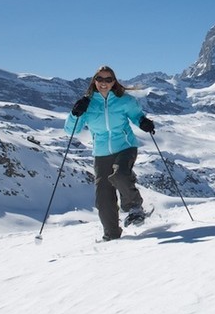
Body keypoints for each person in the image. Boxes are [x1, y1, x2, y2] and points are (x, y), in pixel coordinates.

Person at [64, 65, 156, 241]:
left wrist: (144, 122)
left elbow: (137, 116)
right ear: (94, 81)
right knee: (103, 198)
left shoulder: (124, 100)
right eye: (100, 79)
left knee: (120, 174)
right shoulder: (87, 104)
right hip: (101, 153)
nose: (104, 83)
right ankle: (111, 236)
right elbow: (71, 130)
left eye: (108, 79)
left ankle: (135, 207)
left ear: (114, 82)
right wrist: (75, 113)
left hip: (125, 146)